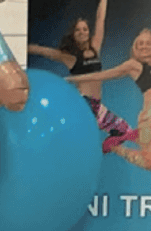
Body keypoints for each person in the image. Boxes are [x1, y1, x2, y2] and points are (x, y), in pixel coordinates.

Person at [68, 0, 151, 170]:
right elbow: (104, 75)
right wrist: (73, 80)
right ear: (136, 48)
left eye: (147, 43)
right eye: (140, 44)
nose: (144, 46)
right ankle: (116, 147)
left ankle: (134, 136)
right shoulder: (134, 65)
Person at [28, 0, 136, 153]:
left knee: (125, 130)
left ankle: (106, 145)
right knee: (84, 141)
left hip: (97, 105)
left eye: (85, 29)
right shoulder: (70, 57)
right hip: (85, 103)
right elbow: (44, 51)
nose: (82, 32)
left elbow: (100, 18)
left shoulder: (95, 47)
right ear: (73, 35)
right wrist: (23, 46)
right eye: (78, 30)